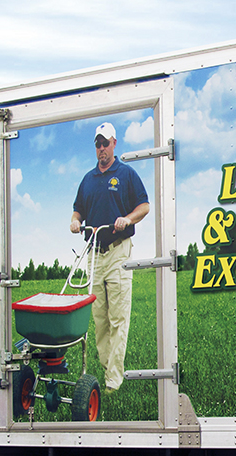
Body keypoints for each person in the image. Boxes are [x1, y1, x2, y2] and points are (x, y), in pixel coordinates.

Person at [71, 122, 150, 394]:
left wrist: (126, 219)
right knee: (99, 318)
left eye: (105, 143)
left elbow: (144, 205)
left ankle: (113, 381)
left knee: (118, 318)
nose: (101, 148)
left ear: (115, 143)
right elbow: (78, 210)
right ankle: (108, 368)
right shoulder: (88, 179)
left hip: (118, 251)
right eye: (97, 144)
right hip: (94, 254)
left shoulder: (126, 174)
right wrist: (75, 222)